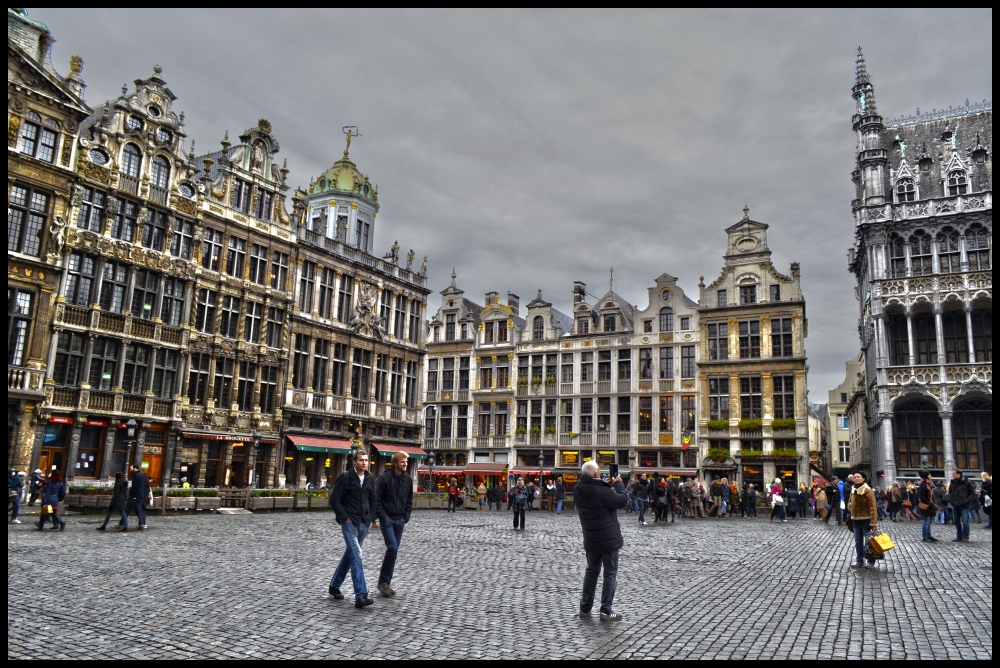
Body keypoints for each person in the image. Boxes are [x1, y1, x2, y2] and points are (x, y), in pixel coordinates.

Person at [575, 460, 628, 621]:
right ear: (597, 474)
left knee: (591, 572)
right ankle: (606, 610)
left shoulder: (579, 489)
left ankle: (584, 608)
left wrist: (602, 484)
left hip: (591, 538)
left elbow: (594, 492)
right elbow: (622, 501)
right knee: (610, 574)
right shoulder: (601, 491)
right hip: (608, 539)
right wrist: (618, 484)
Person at [329, 449, 376, 608]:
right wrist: (345, 518)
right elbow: (335, 500)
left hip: (364, 523)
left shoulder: (370, 478)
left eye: (366, 460)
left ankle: (334, 585)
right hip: (350, 523)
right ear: (354, 462)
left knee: (350, 556)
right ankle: (361, 595)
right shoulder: (345, 477)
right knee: (357, 556)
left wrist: (370, 518)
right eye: (361, 460)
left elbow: (373, 500)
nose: (364, 463)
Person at [374, 451, 413, 598]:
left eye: (406, 462)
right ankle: (383, 583)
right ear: (395, 463)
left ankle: (385, 583)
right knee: (392, 548)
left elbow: (409, 500)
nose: (405, 464)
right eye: (403, 462)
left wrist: (405, 517)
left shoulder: (407, 479)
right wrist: (383, 517)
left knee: (393, 552)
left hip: (400, 520)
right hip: (388, 519)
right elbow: (376, 498)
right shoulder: (384, 478)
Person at [847, 471, 878, 569]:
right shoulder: (853, 489)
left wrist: (873, 522)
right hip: (855, 520)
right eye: (855, 477)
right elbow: (849, 502)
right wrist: (850, 507)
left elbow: (873, 507)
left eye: (858, 477)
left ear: (863, 478)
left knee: (868, 542)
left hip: (866, 519)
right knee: (858, 541)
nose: (856, 478)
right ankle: (859, 560)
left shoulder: (867, 490)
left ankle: (870, 561)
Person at [948, 468, 977, 543]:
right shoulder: (952, 482)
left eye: (954, 473)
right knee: (956, 521)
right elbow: (950, 492)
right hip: (955, 505)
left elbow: (973, 494)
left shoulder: (967, 482)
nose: (953, 475)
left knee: (965, 522)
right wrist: (952, 500)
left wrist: (967, 501)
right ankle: (959, 536)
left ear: (959, 474)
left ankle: (965, 536)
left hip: (964, 505)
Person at [916, 469, 937, 543]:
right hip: (926, 506)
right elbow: (921, 496)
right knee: (926, 521)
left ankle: (929, 535)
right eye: (929, 475)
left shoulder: (928, 484)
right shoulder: (923, 485)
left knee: (929, 521)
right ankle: (925, 536)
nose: (930, 476)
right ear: (926, 476)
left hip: (930, 505)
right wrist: (929, 502)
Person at [127, 464, 150, 531]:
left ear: (135, 468)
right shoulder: (142, 478)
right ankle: (142, 524)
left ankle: (121, 524)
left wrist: (132, 495)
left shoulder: (137, 476)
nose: (130, 470)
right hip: (141, 497)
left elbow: (135, 487)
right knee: (139, 511)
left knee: (128, 510)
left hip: (138, 497)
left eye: (131, 469)